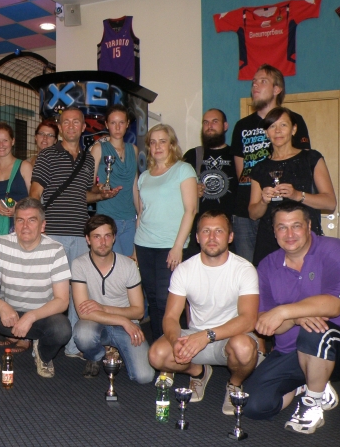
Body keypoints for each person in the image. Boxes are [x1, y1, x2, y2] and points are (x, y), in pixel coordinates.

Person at [242, 202, 340, 434]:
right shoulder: (267, 266)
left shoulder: (333, 249)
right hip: (289, 351)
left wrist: (284, 312)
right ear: (274, 231)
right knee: (254, 406)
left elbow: (334, 306)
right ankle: (310, 383)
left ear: (308, 227)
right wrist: (295, 318)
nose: (289, 234)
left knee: (314, 330)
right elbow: (267, 325)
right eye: (282, 227)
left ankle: (313, 403)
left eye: (296, 226)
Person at [147, 210, 261, 413]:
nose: (212, 237)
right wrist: (175, 341)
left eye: (219, 231)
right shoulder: (184, 270)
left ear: (230, 236)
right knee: (157, 355)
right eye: (206, 231)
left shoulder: (244, 269)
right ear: (197, 237)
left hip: (231, 337)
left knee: (244, 348)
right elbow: (171, 317)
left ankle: (234, 384)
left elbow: (248, 319)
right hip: (195, 335)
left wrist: (207, 336)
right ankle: (198, 373)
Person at [30, 107, 119, 358]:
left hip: (80, 234)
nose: (71, 126)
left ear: (83, 127)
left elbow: (83, 194)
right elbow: (35, 193)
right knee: (48, 291)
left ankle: (72, 347)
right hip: (52, 233)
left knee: (76, 290)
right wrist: (36, 226)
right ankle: (40, 343)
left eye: (76, 122)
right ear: (60, 127)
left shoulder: (89, 159)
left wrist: (101, 195)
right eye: (66, 122)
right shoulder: (47, 155)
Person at [0, 198, 71, 380]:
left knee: (62, 328)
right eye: (20, 220)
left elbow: (62, 301)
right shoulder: (0, 244)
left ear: (43, 225)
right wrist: (1, 306)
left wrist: (32, 316)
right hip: (7, 316)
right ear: (14, 224)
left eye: (32, 220)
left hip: (39, 318)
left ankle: (43, 356)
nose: (25, 226)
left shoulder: (56, 250)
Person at [231, 64, 311, 263]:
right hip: (246, 212)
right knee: (248, 272)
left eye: (262, 81)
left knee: (282, 267)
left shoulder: (295, 120)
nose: (255, 86)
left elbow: (304, 166)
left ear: (277, 89)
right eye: (253, 82)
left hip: (282, 211)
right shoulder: (241, 126)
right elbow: (242, 173)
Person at [248, 106, 336, 266]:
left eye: (283, 125)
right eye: (272, 126)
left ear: (294, 129)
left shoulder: (311, 158)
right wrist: (263, 201)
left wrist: (297, 195)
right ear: (266, 132)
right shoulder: (259, 168)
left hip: (304, 239)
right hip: (269, 242)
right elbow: (253, 214)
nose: (278, 131)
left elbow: (330, 203)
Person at [134, 124, 198, 342]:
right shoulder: (144, 177)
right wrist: (134, 249)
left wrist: (178, 246)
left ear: (171, 145)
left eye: (162, 141)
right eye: (153, 142)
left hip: (170, 246)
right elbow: (141, 213)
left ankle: (170, 347)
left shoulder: (183, 170)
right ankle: (157, 347)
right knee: (152, 299)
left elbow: (191, 210)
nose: (157, 146)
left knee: (166, 300)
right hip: (144, 244)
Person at [72, 215, 153, 383]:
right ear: (87, 239)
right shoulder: (79, 264)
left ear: (114, 238)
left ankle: (116, 350)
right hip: (97, 324)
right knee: (83, 333)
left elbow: (138, 311)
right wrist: (122, 320)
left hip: (126, 327)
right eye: (97, 236)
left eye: (107, 236)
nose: (103, 242)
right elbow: (83, 312)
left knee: (145, 377)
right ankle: (96, 355)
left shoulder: (128, 266)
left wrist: (104, 308)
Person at [0, 123, 33, 353]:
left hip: (21, 231)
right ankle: (10, 330)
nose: (0, 145)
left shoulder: (24, 166)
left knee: (20, 281)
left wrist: (18, 208)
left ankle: (26, 335)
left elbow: (35, 199)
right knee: (0, 284)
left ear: (12, 142)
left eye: (4, 140)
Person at [182, 109, 238, 255]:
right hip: (197, 231)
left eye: (215, 122)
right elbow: (176, 191)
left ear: (225, 126)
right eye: (205, 122)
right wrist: (191, 190)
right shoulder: (192, 155)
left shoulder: (236, 156)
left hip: (230, 230)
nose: (209, 126)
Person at [89, 104, 139, 256]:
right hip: (107, 218)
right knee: (113, 265)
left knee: (129, 264)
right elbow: (89, 184)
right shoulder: (99, 149)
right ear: (106, 124)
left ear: (127, 124)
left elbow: (134, 185)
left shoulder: (133, 150)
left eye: (121, 122)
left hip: (129, 219)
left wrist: (140, 215)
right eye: (113, 122)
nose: (117, 127)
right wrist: (100, 189)